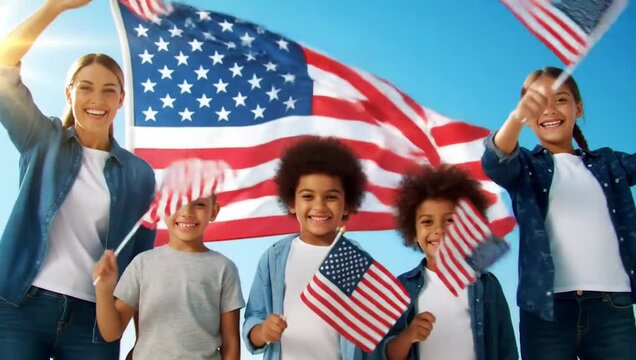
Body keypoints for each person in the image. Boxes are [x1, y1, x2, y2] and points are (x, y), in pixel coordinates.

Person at [0, 1, 156, 359]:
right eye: (85, 88)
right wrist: (53, 8)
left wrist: (141, 340)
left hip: (93, 321)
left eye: (108, 90)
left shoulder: (139, 173)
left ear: (121, 100)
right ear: (69, 93)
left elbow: (139, 264)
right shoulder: (42, 139)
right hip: (19, 305)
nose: (96, 99)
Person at [482, 66, 636, 359]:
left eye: (560, 99)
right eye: (537, 102)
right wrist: (515, 119)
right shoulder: (527, 167)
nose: (549, 110)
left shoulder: (609, 163)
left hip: (612, 307)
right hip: (547, 312)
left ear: (578, 108)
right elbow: (495, 161)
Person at [361, 165, 517, 360]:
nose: (439, 230)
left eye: (450, 220)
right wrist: (408, 335)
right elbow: (385, 355)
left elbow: (507, 348)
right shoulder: (400, 289)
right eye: (427, 222)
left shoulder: (487, 284)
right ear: (413, 231)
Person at [242, 136, 367, 359]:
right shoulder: (274, 257)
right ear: (292, 202)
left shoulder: (357, 259)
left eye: (331, 197)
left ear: (347, 205)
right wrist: (263, 331)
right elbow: (254, 317)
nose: (319, 206)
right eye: (308, 196)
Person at [93, 193, 245, 360]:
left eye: (199, 204)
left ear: (214, 210)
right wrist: (103, 291)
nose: (187, 212)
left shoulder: (224, 268)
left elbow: (231, 343)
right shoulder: (142, 263)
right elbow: (111, 333)